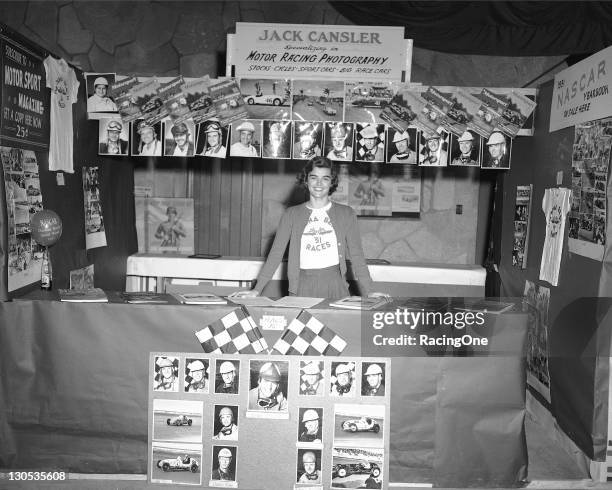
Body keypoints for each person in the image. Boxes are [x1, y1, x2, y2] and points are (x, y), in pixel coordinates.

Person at [229, 157, 389, 299]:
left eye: (325, 178)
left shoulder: (346, 213)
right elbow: (275, 255)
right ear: (306, 180)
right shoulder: (291, 214)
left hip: (335, 286)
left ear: (332, 182)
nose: (319, 183)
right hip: (301, 287)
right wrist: (256, 290)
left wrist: (369, 291)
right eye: (314, 178)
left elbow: (357, 256)